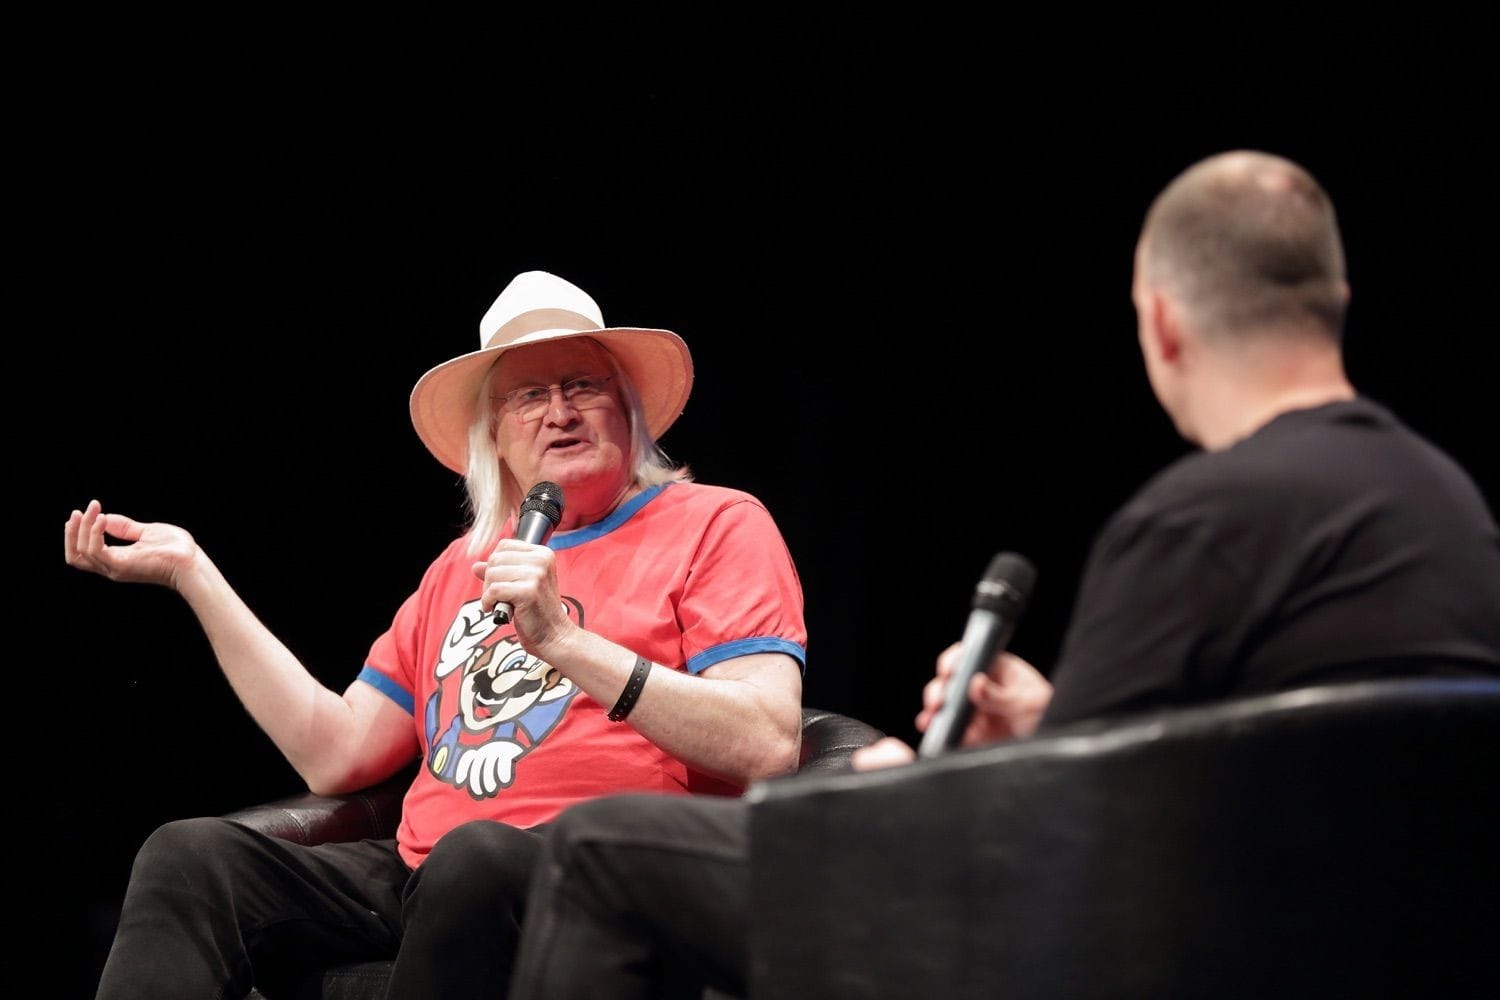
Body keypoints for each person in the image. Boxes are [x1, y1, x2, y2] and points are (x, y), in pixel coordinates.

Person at [504, 150, 1500, 999]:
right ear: (1338, 304)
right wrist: (1049, 721)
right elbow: (1260, 747)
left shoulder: (1197, 519)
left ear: (1162, 325)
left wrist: (928, 785)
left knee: (602, 850)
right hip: (1378, 942)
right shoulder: (1454, 502)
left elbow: (1064, 835)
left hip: (1169, 944)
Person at [65, 269, 808, 1000]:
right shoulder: (463, 565)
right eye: (530, 397)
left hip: (589, 885)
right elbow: (337, 751)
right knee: (189, 856)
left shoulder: (715, 524)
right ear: (495, 436)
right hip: (425, 875)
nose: (560, 412)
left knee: (473, 858)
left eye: (583, 385)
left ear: (628, 408)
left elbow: (766, 741)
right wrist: (194, 574)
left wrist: (565, 642)